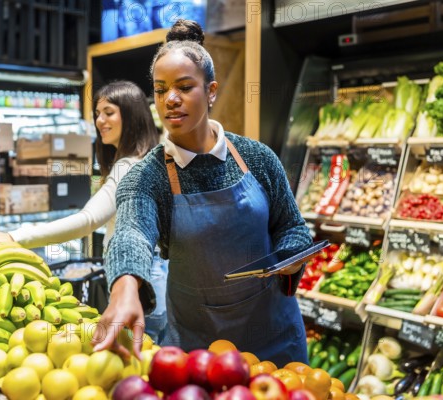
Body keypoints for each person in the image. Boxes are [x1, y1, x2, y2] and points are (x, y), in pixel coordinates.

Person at [91, 19, 313, 367]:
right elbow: (131, 232)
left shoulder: (256, 157)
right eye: (161, 90)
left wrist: (290, 256)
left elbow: (292, 226)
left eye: (184, 87)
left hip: (274, 337)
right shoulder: (147, 177)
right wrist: (124, 286)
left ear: (211, 91)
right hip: (199, 350)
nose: (171, 100)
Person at [0, 81, 168, 342]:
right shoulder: (150, 159)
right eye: (97, 113)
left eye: (109, 112)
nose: (100, 120)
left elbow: (88, 219)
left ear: (131, 114)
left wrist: (16, 237)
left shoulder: (128, 166)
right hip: (151, 279)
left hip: (138, 285)